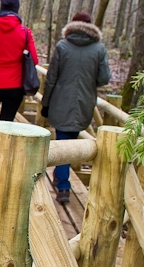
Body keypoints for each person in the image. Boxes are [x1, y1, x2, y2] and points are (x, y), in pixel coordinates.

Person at [41, 11, 112, 204]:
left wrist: (45, 103)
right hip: (84, 102)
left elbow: (51, 78)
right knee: (69, 139)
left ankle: (63, 185)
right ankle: (60, 177)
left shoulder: (63, 46)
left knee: (63, 140)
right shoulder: (99, 48)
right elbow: (104, 78)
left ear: (71, 25)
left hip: (60, 102)